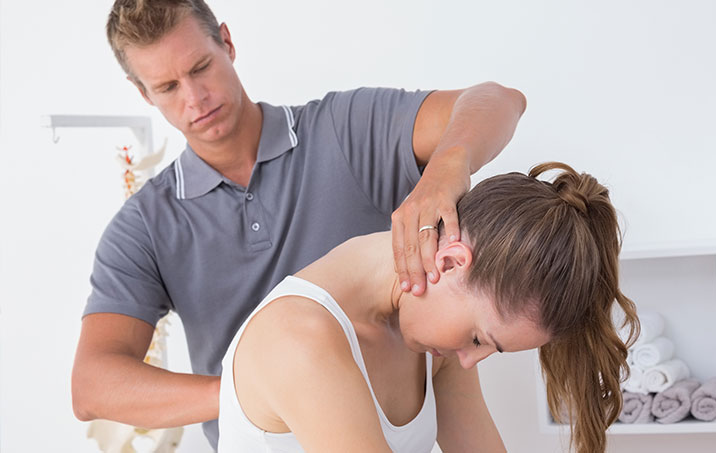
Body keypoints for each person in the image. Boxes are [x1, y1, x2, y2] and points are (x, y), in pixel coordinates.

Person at [70, 0, 527, 449]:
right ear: (143, 94)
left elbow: (499, 100)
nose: (195, 99)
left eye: (201, 67)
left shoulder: (345, 131)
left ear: (227, 43)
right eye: (168, 87)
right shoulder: (146, 226)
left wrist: (448, 167)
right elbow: (93, 386)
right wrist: (253, 389)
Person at [217, 162, 639, 453]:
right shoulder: (298, 337)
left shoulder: (434, 339)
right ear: (451, 261)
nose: (471, 360)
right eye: (479, 339)